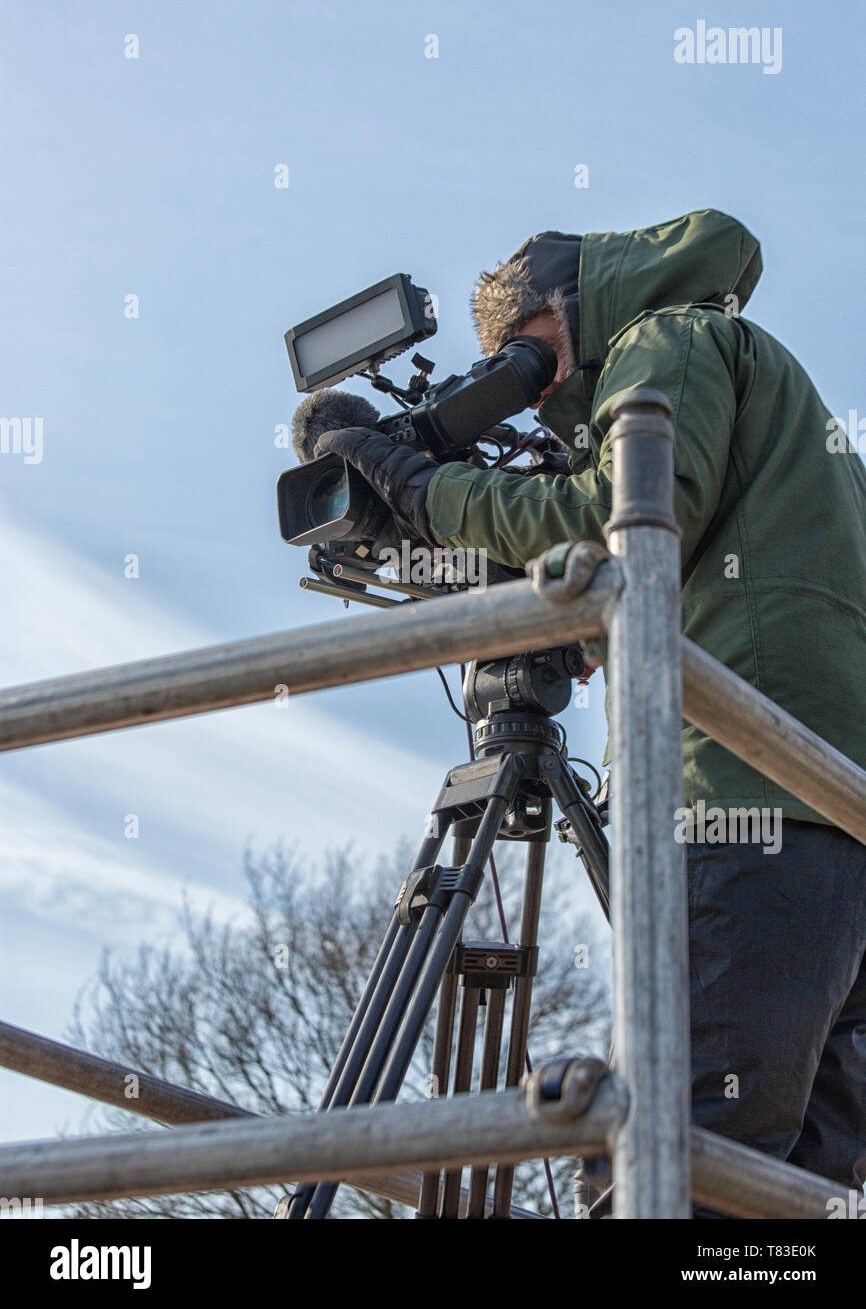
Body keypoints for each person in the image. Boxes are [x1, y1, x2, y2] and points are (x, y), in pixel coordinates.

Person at [316, 209, 866, 1193]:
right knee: (798, 1187)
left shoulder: (665, 337)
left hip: (739, 789)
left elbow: (608, 520)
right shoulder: (756, 377)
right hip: (828, 804)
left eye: (520, 362)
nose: (531, 391)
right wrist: (575, 619)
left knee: (674, 1153)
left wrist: (416, 482)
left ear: (563, 312)